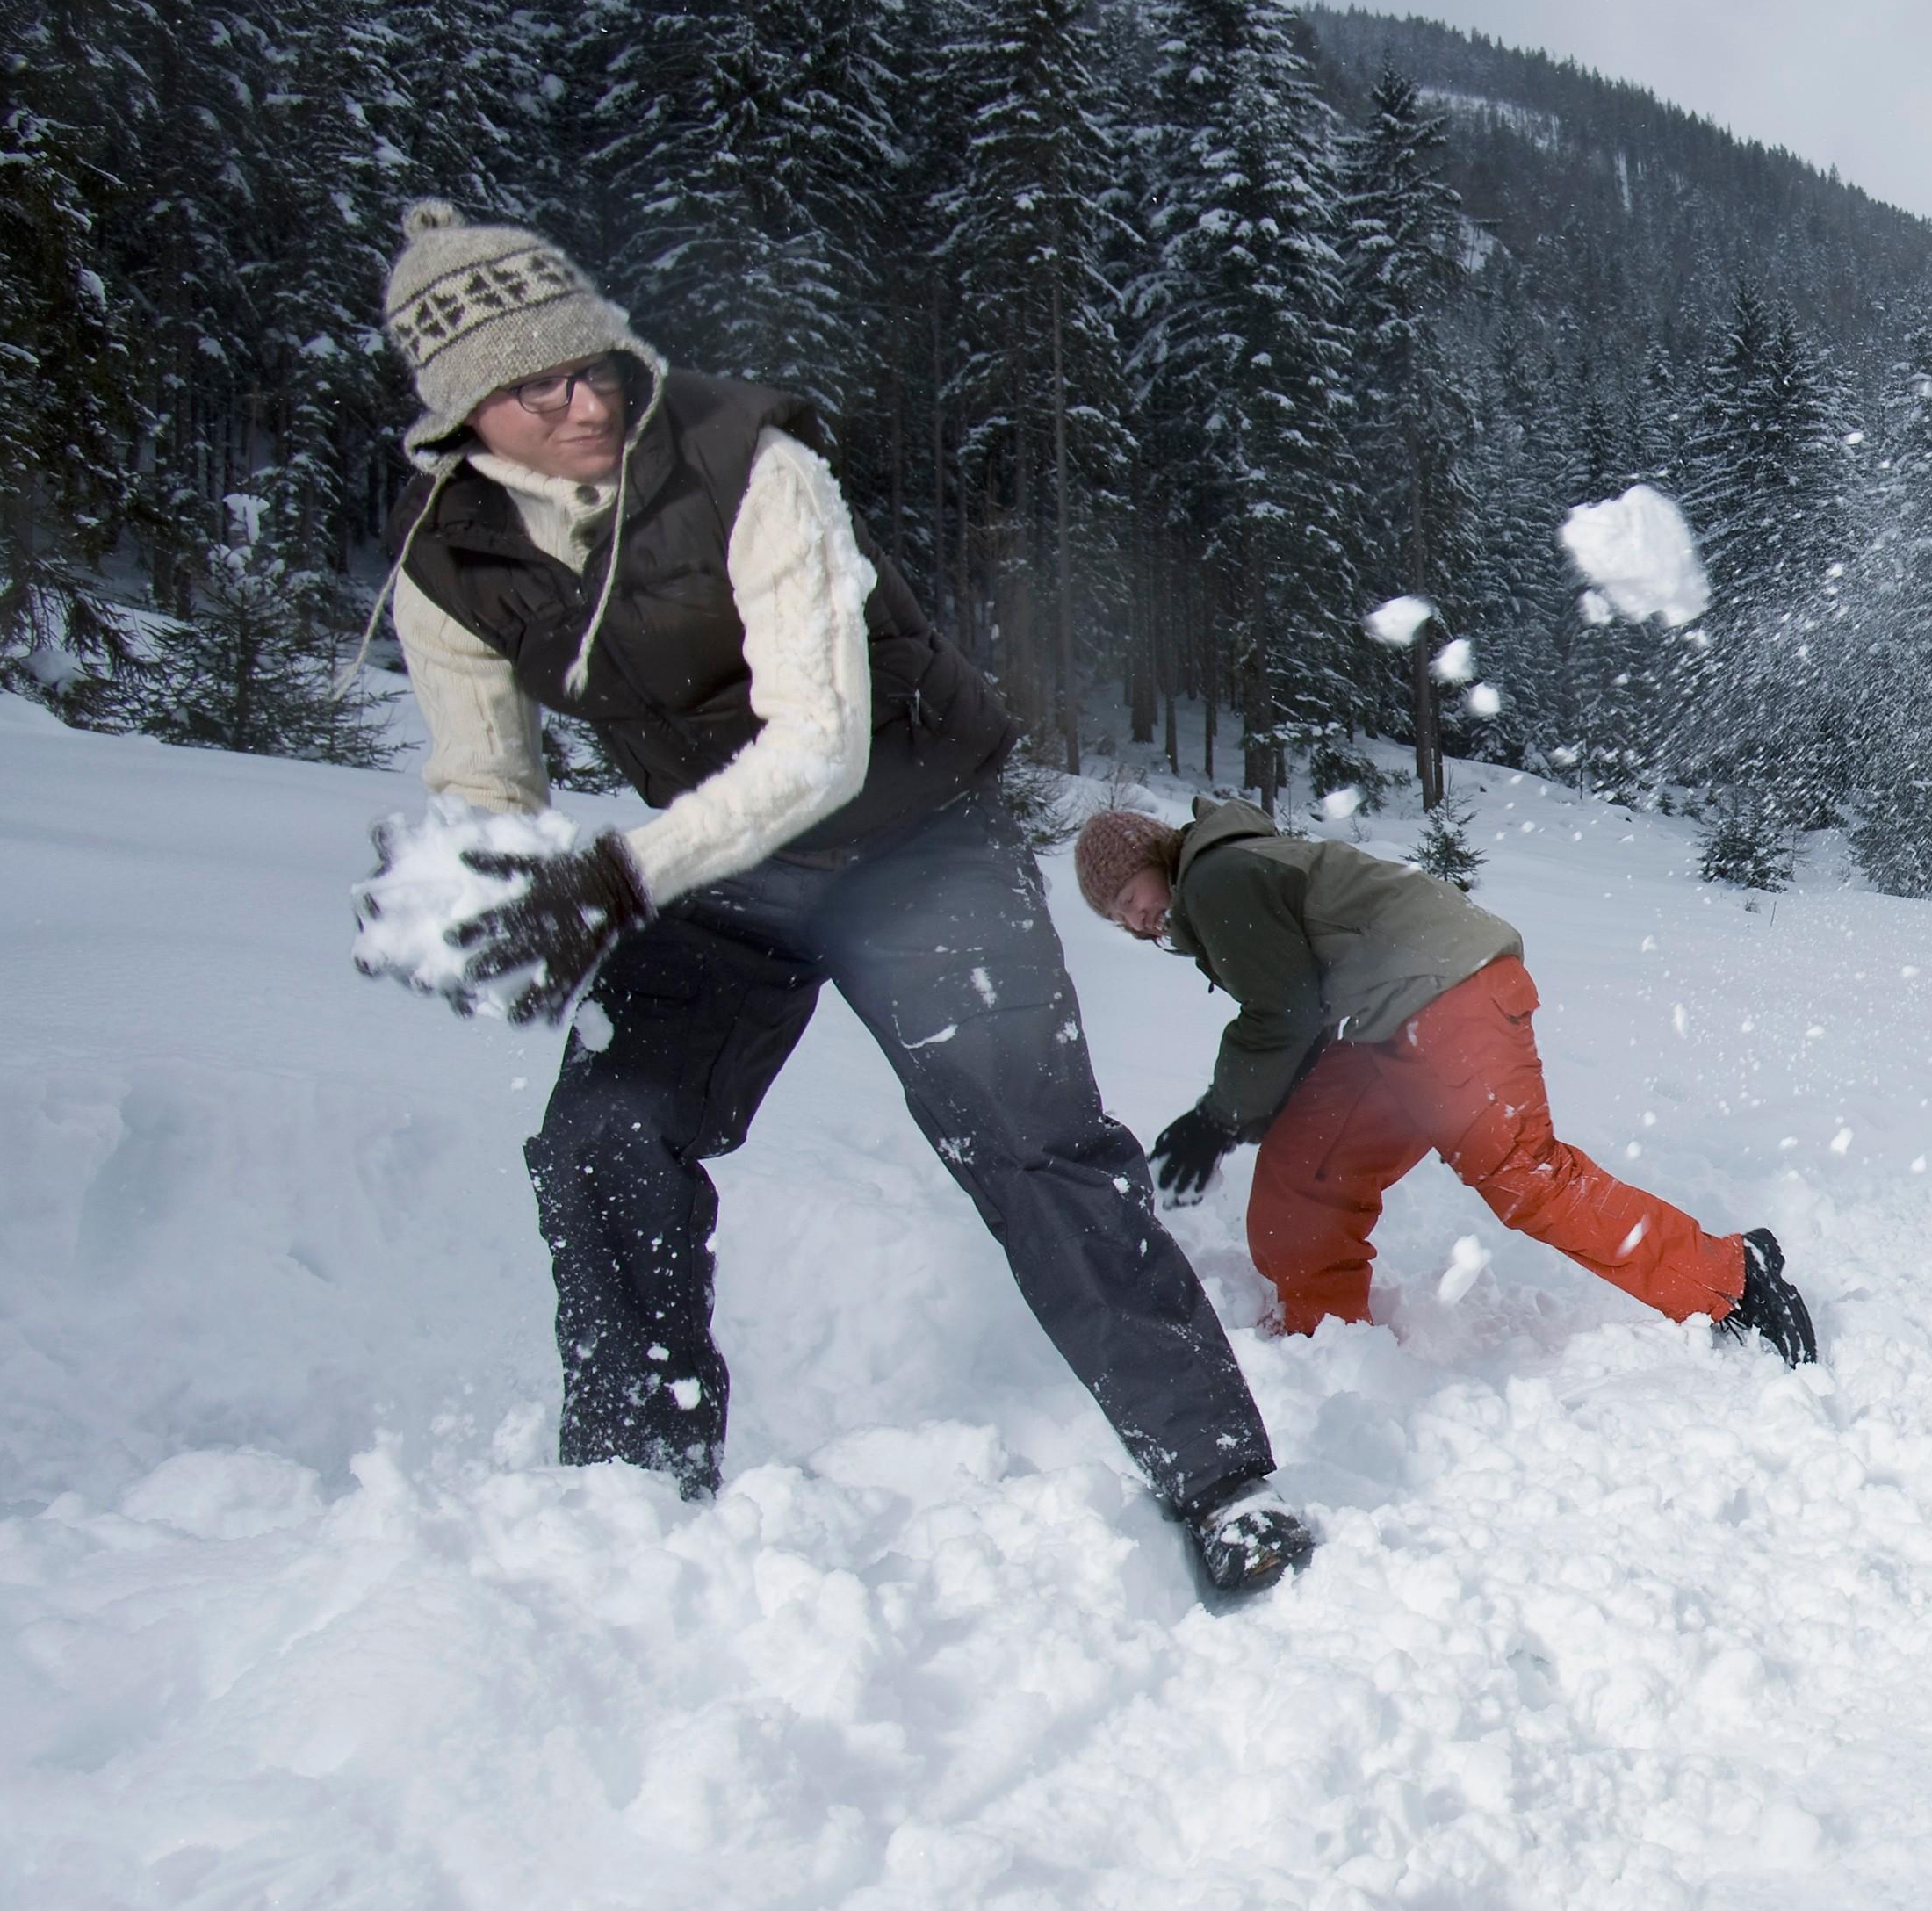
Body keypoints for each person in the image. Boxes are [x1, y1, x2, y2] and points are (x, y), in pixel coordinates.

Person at [357, 199, 1316, 1602]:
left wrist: (612, 880)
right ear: (458, 422)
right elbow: (483, 775)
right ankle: (635, 1487)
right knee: (602, 1134)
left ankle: (1223, 1482)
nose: (576, 399)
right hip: (721, 864)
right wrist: (481, 881)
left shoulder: (751, 458)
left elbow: (820, 746)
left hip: (912, 837)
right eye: (525, 387)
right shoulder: (451, 550)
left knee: (1032, 1152)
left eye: (583, 360)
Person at [1071, 802, 1819, 1365]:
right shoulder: (1219, 878)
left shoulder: (1215, 877)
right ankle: (1322, 1346)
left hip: (1444, 994)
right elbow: (1300, 1000)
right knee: (1304, 1174)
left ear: (1153, 855)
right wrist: (1254, 1107)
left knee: (1519, 1172)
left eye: (1128, 895)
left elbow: (1283, 1008)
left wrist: (1219, 1116)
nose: (1133, 918)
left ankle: (1732, 1277)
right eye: (1115, 917)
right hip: (1388, 1020)